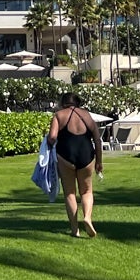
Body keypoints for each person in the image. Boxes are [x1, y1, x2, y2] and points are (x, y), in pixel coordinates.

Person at [48, 93, 103, 237]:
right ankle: (87, 217)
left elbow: (52, 137)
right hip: (86, 155)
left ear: (63, 102)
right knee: (86, 191)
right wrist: (99, 161)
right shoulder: (86, 115)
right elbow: (97, 139)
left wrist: (48, 143)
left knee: (69, 193)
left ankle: (75, 229)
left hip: (66, 155)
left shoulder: (59, 115)